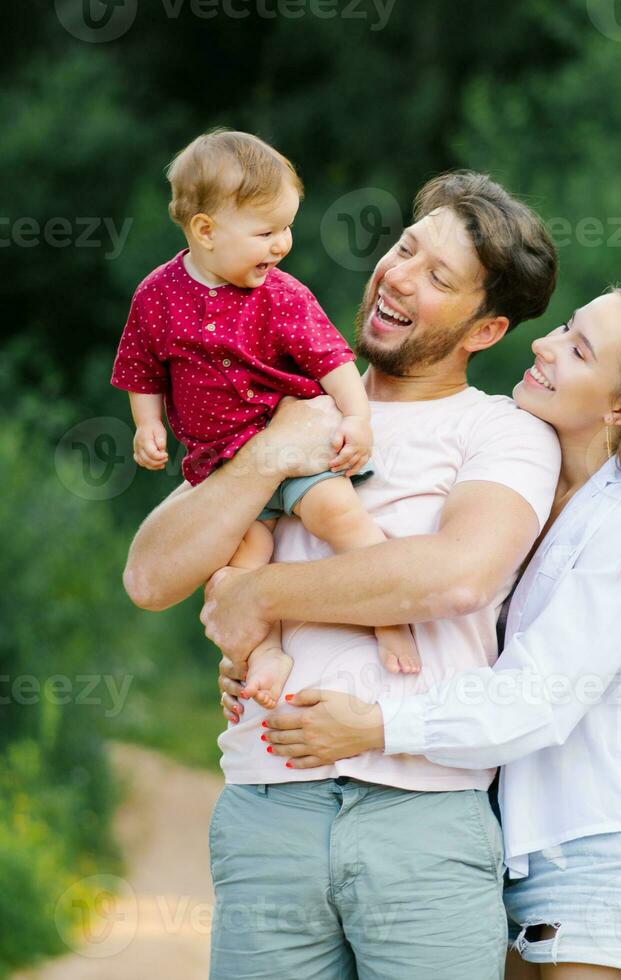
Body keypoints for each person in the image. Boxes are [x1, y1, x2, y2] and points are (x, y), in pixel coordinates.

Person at [236, 286, 621, 979]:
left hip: (603, 858)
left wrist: (374, 726)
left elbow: (535, 696)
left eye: (578, 350)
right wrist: (273, 649)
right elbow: (447, 630)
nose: (545, 345)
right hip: (515, 849)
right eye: (566, 328)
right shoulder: (536, 491)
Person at [123, 170, 562, 978]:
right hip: (268, 811)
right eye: (405, 248)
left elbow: (455, 576)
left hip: (422, 821)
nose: (398, 276)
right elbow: (150, 576)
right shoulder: (280, 403)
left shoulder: (503, 435)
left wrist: (258, 593)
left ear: (487, 328)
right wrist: (273, 451)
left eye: (438, 278)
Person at [110, 128, 417, 710]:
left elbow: (333, 360)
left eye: (287, 229)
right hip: (220, 468)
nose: (282, 245)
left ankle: (386, 613)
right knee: (232, 573)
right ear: (206, 231)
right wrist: (146, 424)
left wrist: (358, 419)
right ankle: (263, 656)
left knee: (336, 513)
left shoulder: (280, 295)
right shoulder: (156, 296)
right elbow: (141, 367)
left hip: (295, 451)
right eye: (266, 232)